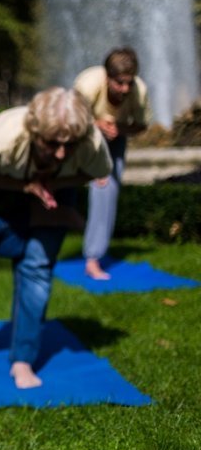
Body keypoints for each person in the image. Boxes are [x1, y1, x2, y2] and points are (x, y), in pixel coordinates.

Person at [0, 87, 112, 390]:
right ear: (34, 130)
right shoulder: (1, 139)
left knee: (37, 266)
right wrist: (27, 186)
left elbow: (96, 173)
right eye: (52, 144)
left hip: (54, 188)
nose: (62, 154)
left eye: (70, 145)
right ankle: (36, 224)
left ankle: (23, 360)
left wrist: (50, 180)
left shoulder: (89, 140)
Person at [74, 47, 151, 280]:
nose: (124, 89)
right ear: (107, 77)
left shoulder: (139, 91)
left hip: (116, 137)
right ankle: (88, 257)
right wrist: (97, 124)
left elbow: (141, 125)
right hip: (82, 134)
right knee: (94, 185)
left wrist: (120, 129)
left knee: (109, 189)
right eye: (119, 83)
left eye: (129, 82)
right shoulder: (87, 85)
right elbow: (69, 120)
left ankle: (94, 256)